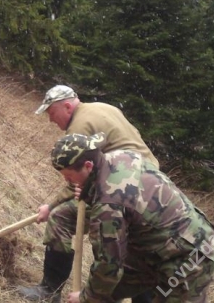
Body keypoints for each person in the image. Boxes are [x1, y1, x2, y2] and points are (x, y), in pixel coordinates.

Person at [17, 85, 158, 303]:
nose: (51, 120)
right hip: (151, 185)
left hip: (124, 191)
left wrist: (50, 206)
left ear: (66, 106)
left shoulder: (79, 128)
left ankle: (51, 291)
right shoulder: (103, 108)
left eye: (51, 113)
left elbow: (76, 178)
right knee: (136, 249)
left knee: (66, 220)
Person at [50, 132, 214, 303]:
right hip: (154, 250)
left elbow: (108, 264)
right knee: (106, 292)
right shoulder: (119, 157)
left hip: (191, 257)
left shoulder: (108, 205)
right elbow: (122, 197)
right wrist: (88, 192)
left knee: (99, 291)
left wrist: (86, 297)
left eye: (69, 176)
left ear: (88, 166)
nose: (67, 181)